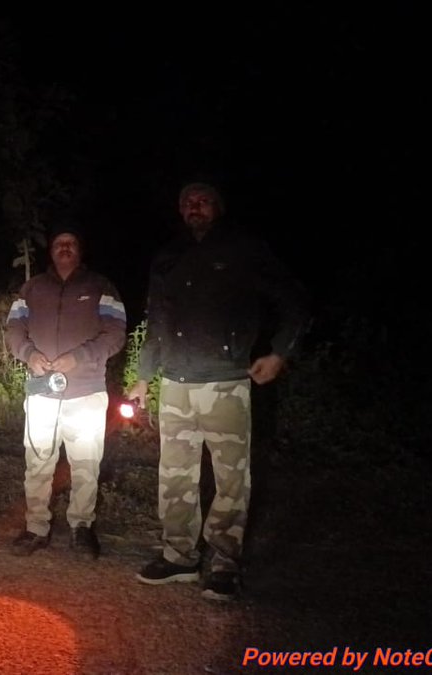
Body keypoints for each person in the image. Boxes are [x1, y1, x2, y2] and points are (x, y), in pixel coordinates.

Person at [126, 181, 309, 600]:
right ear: (180, 209)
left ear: (218, 207)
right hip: (175, 383)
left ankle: (225, 562)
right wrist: (143, 375)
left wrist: (279, 353)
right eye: (187, 201)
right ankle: (179, 557)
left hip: (226, 382)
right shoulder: (168, 256)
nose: (195, 206)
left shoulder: (245, 249)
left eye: (203, 200)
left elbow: (294, 301)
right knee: (174, 475)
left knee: (232, 479)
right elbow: (156, 321)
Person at [4, 223, 127, 560]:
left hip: (86, 391)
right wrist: (30, 354)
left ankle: (82, 527)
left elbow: (116, 332)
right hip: (42, 391)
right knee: (38, 462)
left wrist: (80, 357)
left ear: (80, 249)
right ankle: (35, 527)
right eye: (59, 243)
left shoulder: (101, 286)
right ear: (51, 250)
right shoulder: (31, 289)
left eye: (71, 243)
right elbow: (13, 329)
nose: (65, 248)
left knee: (85, 463)